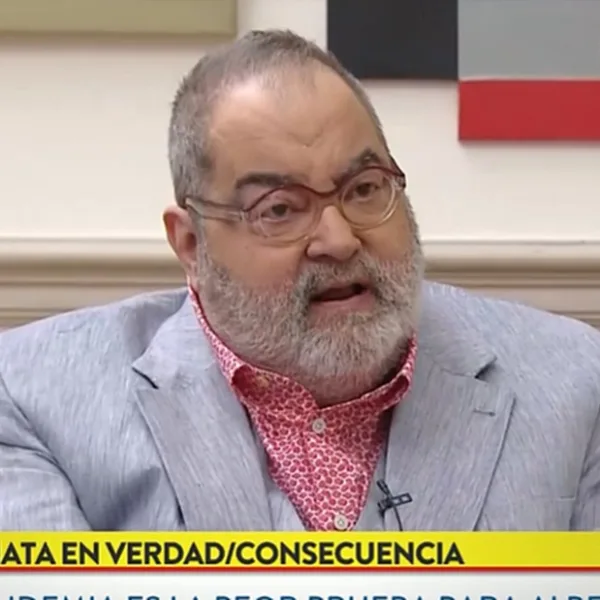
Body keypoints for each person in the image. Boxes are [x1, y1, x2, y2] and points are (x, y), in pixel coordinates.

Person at [0, 29, 598, 532]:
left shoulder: (575, 383)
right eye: (280, 209)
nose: (338, 239)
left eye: (364, 189)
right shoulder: (34, 399)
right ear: (191, 244)